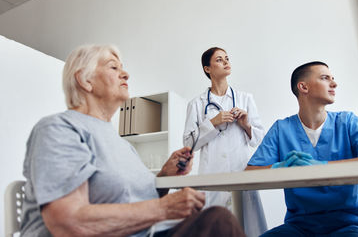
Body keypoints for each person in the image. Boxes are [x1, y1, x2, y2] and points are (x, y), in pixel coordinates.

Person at [21, 44, 245, 237]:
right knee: (218, 222)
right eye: (113, 67)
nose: (125, 73)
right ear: (85, 80)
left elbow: (134, 199)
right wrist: (163, 209)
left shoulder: (121, 144)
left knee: (217, 220)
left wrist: (165, 175)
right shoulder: (61, 129)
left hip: (143, 231)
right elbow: (66, 221)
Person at [246, 61, 358, 237]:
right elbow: (250, 172)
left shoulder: (347, 123)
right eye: (325, 78)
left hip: (349, 224)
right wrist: (280, 167)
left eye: (333, 79)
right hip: (299, 227)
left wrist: (324, 166)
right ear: (303, 87)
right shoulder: (282, 129)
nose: (334, 83)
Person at [183, 47, 267, 236]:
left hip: (241, 173)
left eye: (227, 58)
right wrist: (213, 122)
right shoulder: (196, 104)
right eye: (219, 60)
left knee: (247, 227)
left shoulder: (245, 99)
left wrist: (246, 125)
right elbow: (188, 144)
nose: (226, 62)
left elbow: (259, 139)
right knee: (215, 228)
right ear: (207, 69)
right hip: (213, 177)